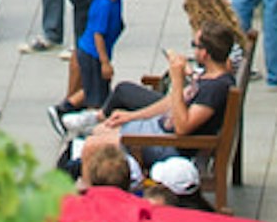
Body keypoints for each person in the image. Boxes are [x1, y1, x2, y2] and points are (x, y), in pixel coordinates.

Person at [64, 13, 243, 182]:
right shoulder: (208, 76)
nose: (193, 49)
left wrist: (177, 80)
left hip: (167, 143)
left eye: (194, 45)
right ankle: (75, 170)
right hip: (157, 129)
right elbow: (169, 103)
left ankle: (84, 193)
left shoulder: (215, 88)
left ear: (205, 53)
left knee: (91, 146)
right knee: (97, 132)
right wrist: (132, 116)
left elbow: (182, 128)